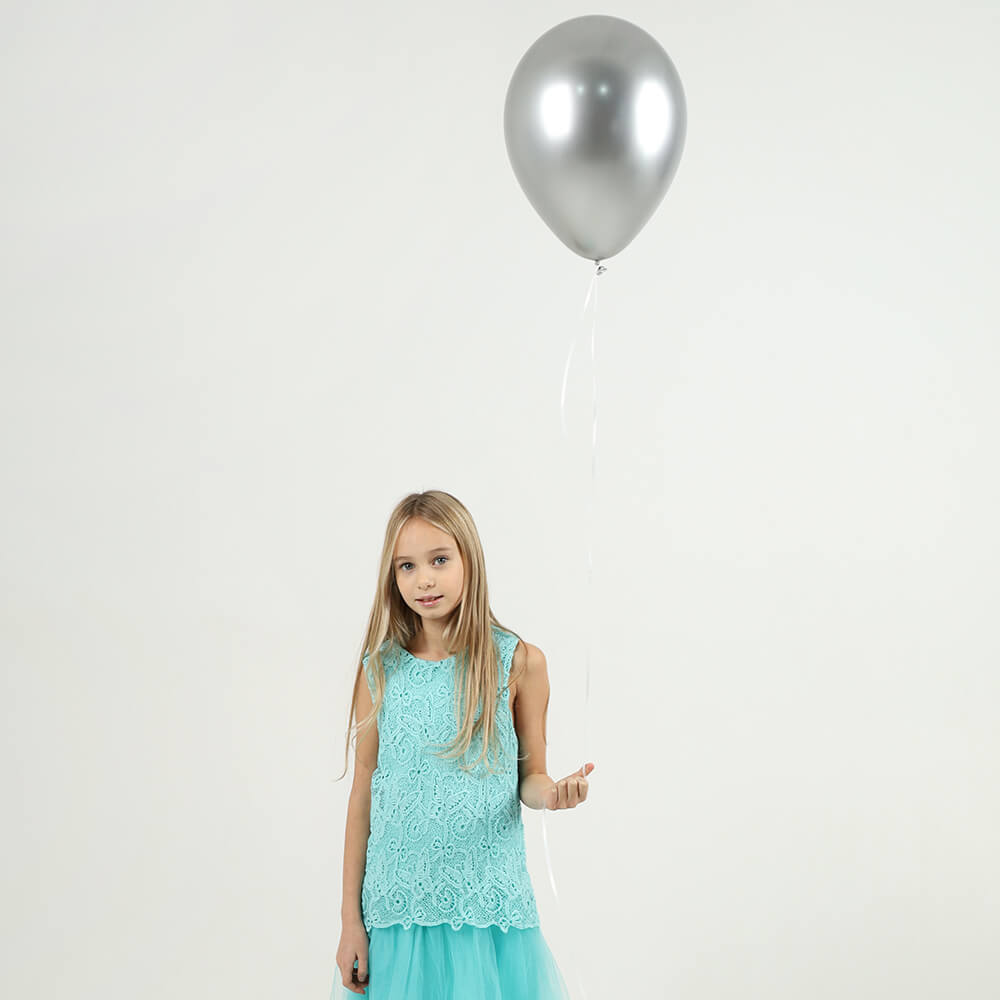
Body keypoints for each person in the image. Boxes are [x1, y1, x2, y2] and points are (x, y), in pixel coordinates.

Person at [332, 489, 595, 998]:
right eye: (407, 566)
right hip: (397, 911)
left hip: (486, 912)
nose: (424, 579)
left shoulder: (517, 662)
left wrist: (553, 794)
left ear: (469, 560)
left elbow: (531, 778)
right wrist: (350, 921)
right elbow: (362, 794)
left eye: (439, 560)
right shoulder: (380, 671)